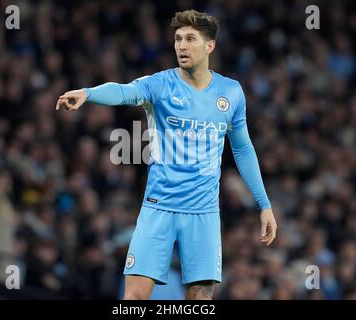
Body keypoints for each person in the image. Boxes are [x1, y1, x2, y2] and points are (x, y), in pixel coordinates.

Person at [56, 9, 277, 300]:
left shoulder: (231, 92)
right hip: (158, 207)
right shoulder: (160, 84)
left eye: (190, 39)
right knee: (134, 297)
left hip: (204, 212)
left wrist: (264, 204)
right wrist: (88, 92)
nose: (182, 46)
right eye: (177, 39)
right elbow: (124, 92)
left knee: (200, 299)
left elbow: (242, 149)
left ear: (209, 46)